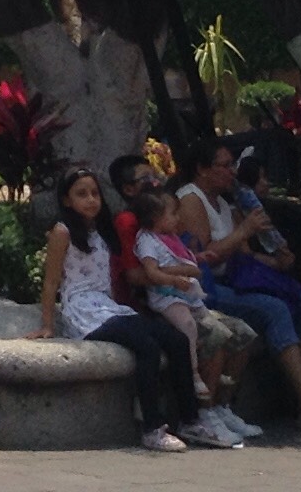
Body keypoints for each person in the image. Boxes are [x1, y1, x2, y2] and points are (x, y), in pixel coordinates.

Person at [171, 136, 301, 432]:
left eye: (233, 165)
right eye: (225, 166)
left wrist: (277, 261)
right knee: (274, 309)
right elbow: (203, 258)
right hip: (208, 289)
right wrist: (244, 230)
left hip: (234, 280)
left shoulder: (226, 203)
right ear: (202, 169)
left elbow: (245, 256)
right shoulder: (191, 199)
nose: (232, 172)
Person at [38, 166, 216, 451]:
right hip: (83, 310)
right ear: (66, 200)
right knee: (145, 346)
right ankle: (152, 428)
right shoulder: (62, 232)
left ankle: (190, 420)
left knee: (176, 339)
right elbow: (50, 283)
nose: (91, 200)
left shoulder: (103, 230)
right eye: (81, 194)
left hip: (110, 306)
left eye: (95, 193)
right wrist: (48, 325)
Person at [107, 154, 257, 439]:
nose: (155, 181)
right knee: (214, 335)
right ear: (128, 189)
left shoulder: (166, 224)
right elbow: (136, 275)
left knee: (243, 333)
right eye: (146, 178)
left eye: (156, 175)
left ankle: (222, 406)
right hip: (156, 302)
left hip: (186, 295)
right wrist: (180, 272)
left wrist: (193, 261)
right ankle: (202, 414)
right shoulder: (131, 223)